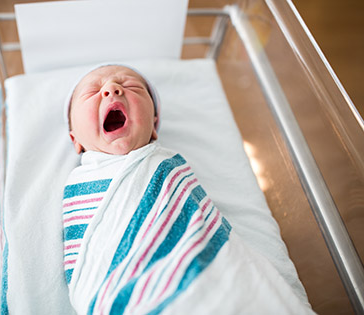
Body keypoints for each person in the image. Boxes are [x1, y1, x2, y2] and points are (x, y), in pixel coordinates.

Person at [61, 64, 314, 314]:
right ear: (76, 140)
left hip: (212, 277)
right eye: (91, 92)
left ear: (153, 126)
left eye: (131, 86)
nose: (112, 89)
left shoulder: (163, 164)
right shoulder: (80, 181)